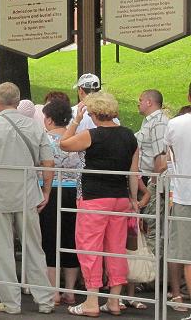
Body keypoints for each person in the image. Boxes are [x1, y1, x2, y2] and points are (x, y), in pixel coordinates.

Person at [0, 82, 55, 315]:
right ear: (18, 102)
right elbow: (48, 163)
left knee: (3, 250)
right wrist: (46, 191)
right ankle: (45, 300)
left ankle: (11, 302)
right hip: (28, 194)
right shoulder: (35, 127)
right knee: (34, 248)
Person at [60, 91, 139, 317]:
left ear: (93, 113)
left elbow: (64, 144)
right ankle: (114, 300)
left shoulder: (91, 135)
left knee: (89, 248)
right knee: (116, 250)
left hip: (94, 198)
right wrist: (133, 199)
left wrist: (75, 120)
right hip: (121, 198)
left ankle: (91, 301)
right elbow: (133, 173)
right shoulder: (129, 136)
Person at [39, 99, 82, 306]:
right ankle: (70, 291)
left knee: (49, 240)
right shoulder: (76, 138)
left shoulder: (43, 139)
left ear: (48, 119)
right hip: (73, 191)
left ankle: (53, 291)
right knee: (70, 239)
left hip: (49, 190)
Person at [162, 83, 191, 318]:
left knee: (183, 252)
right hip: (183, 193)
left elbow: (168, 153)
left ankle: (180, 295)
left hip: (184, 194)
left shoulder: (176, 124)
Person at [135, 89, 168, 256]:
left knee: (152, 226)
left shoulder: (159, 122)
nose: (138, 103)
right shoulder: (148, 122)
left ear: (149, 102)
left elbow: (161, 158)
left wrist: (154, 185)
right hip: (145, 180)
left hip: (151, 181)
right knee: (146, 226)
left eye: (140, 100)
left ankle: (153, 275)